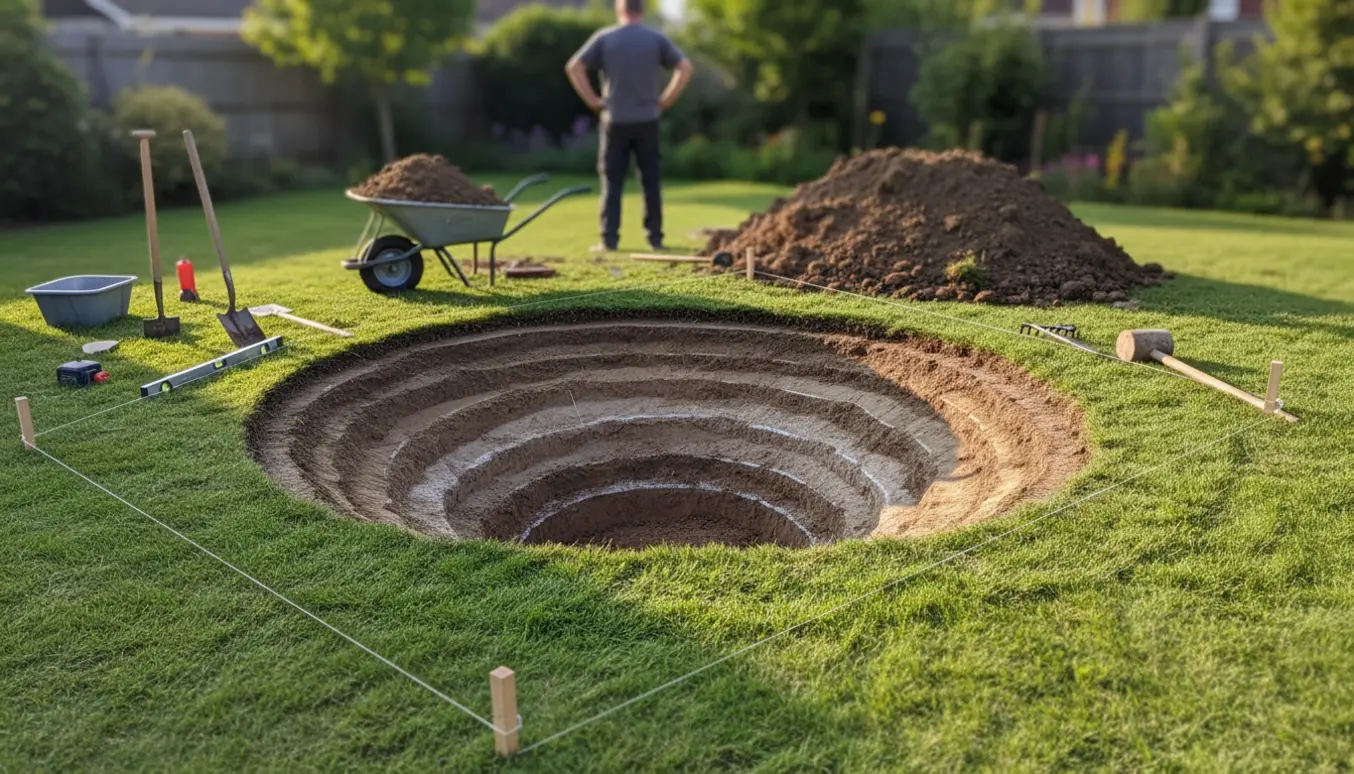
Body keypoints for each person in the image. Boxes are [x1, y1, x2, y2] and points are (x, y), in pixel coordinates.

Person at [566, 0, 694, 253]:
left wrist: (593, 101)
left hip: (615, 120)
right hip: (648, 119)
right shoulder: (655, 39)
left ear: (619, 9)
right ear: (642, 10)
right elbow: (685, 67)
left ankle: (609, 241)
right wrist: (667, 99)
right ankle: (655, 239)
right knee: (650, 181)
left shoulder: (605, 38)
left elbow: (574, 67)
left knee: (612, 181)